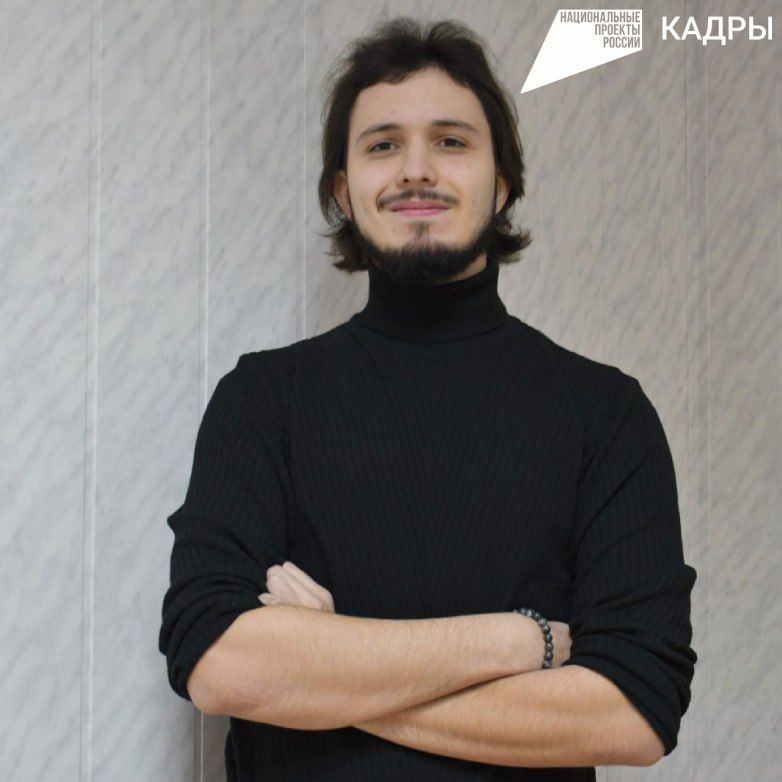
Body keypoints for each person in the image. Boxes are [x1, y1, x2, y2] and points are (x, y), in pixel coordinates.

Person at [158, 16, 697, 781]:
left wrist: (322, 671)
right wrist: (523, 641)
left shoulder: (605, 414)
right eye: (383, 145)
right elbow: (219, 667)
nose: (416, 169)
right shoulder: (264, 400)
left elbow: (634, 714)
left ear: (501, 182)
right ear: (344, 190)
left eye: (450, 141)